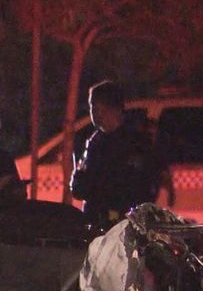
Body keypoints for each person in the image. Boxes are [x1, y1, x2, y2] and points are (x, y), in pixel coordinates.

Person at [70, 81, 163, 227]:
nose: (92, 111)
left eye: (94, 106)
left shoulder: (135, 143)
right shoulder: (94, 142)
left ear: (111, 108)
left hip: (123, 224)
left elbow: (140, 187)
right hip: (95, 222)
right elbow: (79, 187)